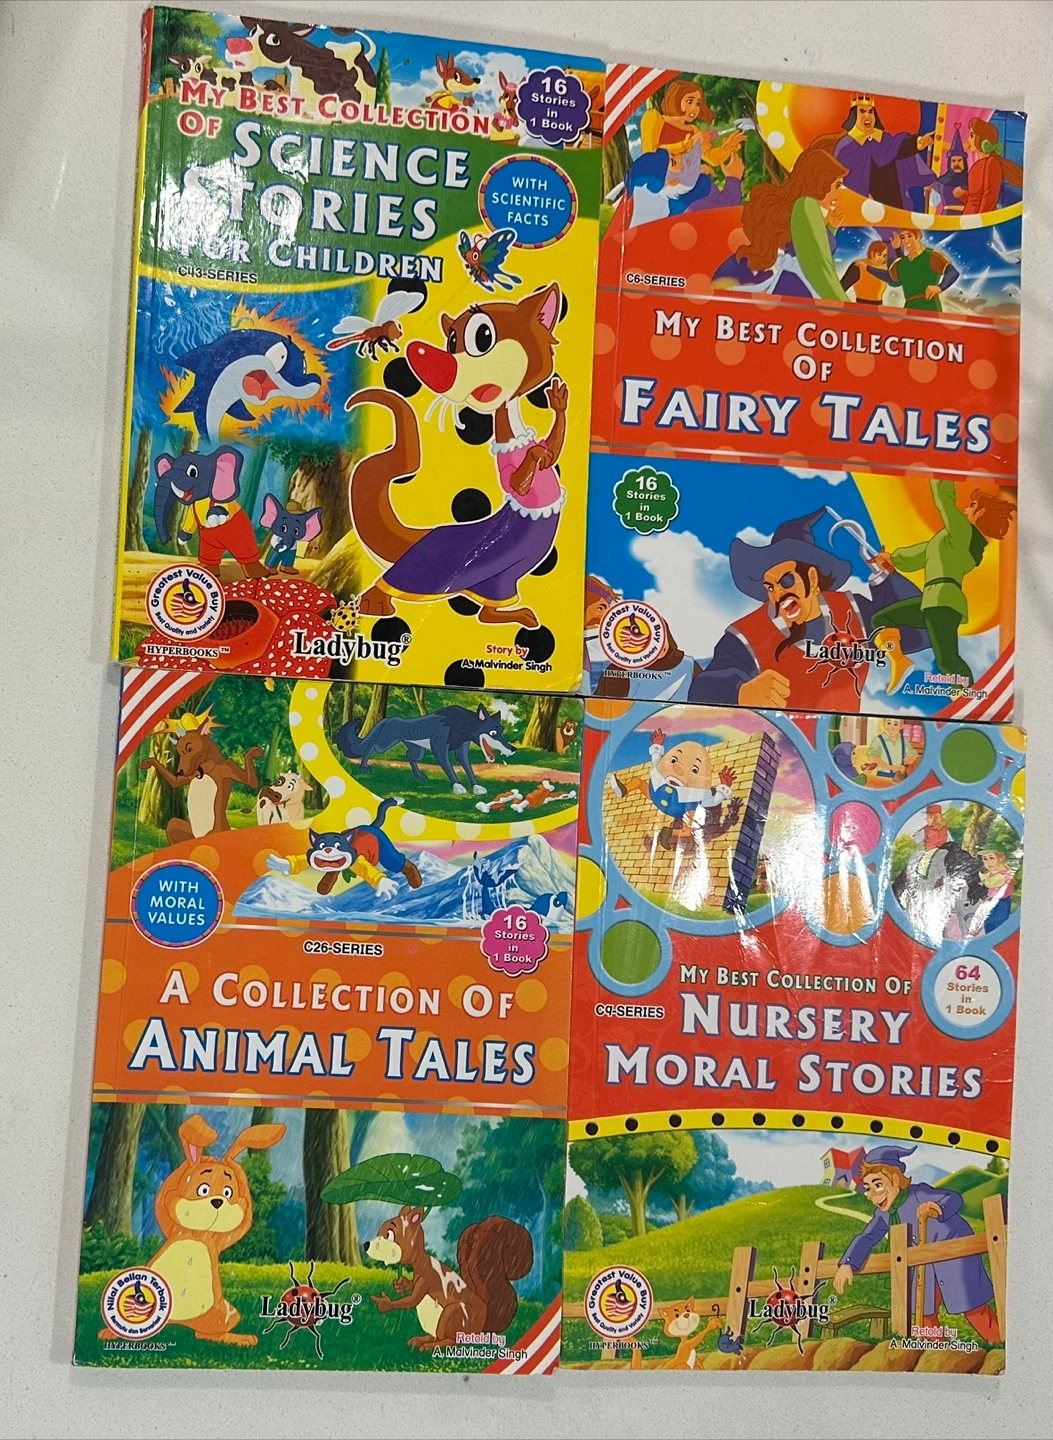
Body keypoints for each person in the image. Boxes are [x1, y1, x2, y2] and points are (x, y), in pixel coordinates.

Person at [687, 509, 925, 711]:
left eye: (786, 581)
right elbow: (700, 689)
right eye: (770, 587)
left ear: (811, 578)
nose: (778, 593)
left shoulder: (854, 610)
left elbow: (920, 633)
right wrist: (739, 692)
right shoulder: (747, 635)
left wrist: (885, 576)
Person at [833, 1144, 1001, 1343]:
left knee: (971, 1305)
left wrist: (937, 1208)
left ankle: (998, 1341)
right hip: (922, 1260)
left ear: (896, 1179)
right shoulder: (884, 1214)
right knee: (924, 1310)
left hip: (954, 1251)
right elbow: (867, 1237)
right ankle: (936, 1350)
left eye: (878, 1185)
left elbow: (953, 1198)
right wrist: (847, 1263)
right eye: (867, 1188)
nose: (871, 1195)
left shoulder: (919, 1194)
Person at [872, 477, 1016, 687]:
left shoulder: (963, 534)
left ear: (981, 513)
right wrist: (893, 559)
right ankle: (899, 661)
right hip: (931, 601)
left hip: (943, 602)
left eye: (972, 505)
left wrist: (940, 473)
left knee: (947, 661)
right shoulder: (952, 540)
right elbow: (922, 554)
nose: (966, 509)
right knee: (882, 619)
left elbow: (944, 501)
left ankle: (967, 694)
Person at [712, 142, 847, 300]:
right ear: (821, 181)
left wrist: (831, 227)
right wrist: (841, 302)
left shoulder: (802, 208)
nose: (838, 194)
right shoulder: (806, 205)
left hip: (795, 283)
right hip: (798, 286)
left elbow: (816, 249)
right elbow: (817, 260)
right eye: (837, 186)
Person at [832, 93, 935, 209]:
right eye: (862, 111)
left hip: (892, 202)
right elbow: (840, 180)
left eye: (871, 112)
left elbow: (899, 148)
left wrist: (920, 142)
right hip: (862, 206)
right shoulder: (845, 147)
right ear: (854, 115)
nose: (867, 116)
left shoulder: (883, 138)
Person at [957, 117, 1024, 214]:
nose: (968, 139)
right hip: (970, 216)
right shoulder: (978, 164)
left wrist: (980, 218)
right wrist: (962, 195)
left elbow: (990, 196)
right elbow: (974, 198)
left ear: (982, 140)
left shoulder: (991, 163)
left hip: (980, 218)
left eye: (971, 136)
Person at [887, 228, 959, 313]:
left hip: (929, 306)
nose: (906, 240)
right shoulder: (903, 262)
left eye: (909, 236)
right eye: (903, 237)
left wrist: (940, 287)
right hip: (909, 308)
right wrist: (897, 250)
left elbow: (952, 272)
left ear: (918, 236)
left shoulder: (931, 255)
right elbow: (896, 279)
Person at [862, 716, 919, 786]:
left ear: (901, 726)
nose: (891, 728)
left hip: (901, 779)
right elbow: (872, 757)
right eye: (888, 723)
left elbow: (913, 752)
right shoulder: (877, 740)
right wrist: (892, 767)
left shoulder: (903, 740)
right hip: (883, 778)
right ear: (884, 724)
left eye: (895, 724)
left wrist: (910, 757)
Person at [840, 239, 897, 305]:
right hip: (861, 306)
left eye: (884, 256)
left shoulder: (885, 268)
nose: (881, 258)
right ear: (872, 253)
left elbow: (896, 281)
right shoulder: (859, 265)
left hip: (879, 306)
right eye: (879, 255)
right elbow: (841, 288)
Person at [930, 123, 970, 216]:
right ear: (949, 162)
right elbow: (932, 202)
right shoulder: (941, 181)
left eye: (959, 160)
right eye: (953, 161)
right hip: (947, 218)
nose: (956, 164)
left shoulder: (971, 180)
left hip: (966, 218)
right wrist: (929, 190)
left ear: (964, 162)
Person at [979, 847, 1015, 931]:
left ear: (1000, 858)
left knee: (999, 923)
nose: (988, 862)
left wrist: (981, 877)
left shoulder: (1004, 873)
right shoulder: (991, 872)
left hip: (1002, 902)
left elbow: (989, 883)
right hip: (991, 900)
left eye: (991, 858)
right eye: (985, 859)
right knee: (988, 922)